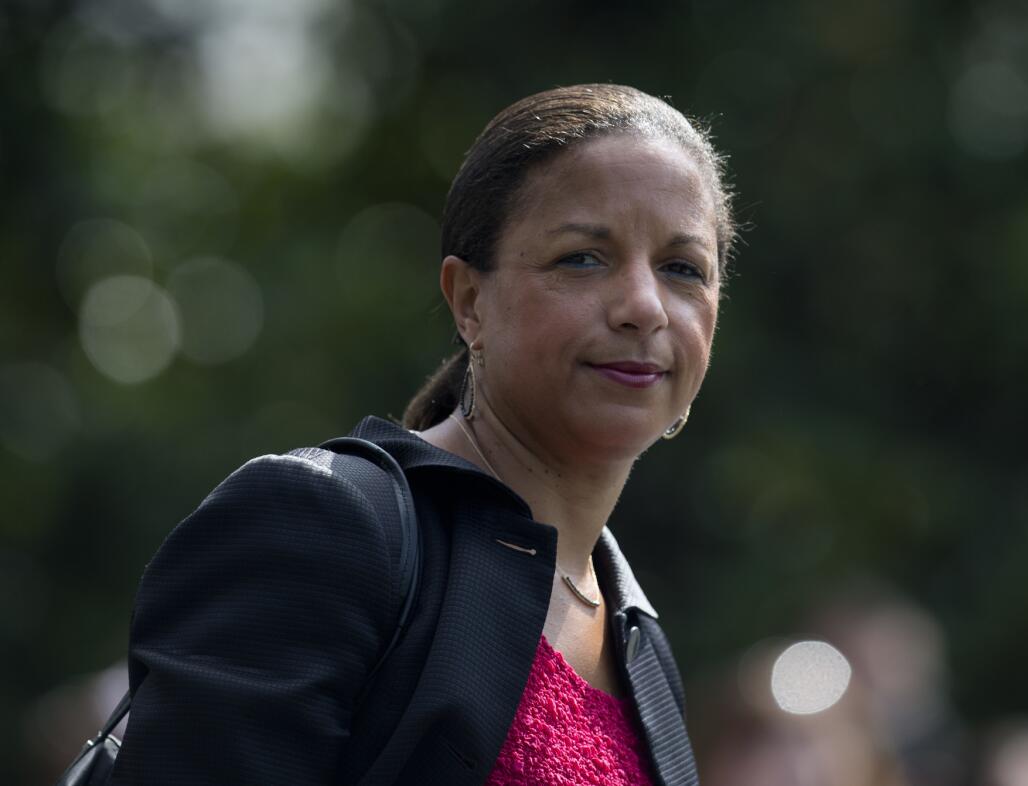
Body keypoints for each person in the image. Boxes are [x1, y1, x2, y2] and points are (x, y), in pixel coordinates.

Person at [108, 83, 738, 786]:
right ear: (469, 302)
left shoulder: (637, 634)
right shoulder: (324, 526)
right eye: (582, 258)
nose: (643, 307)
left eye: (683, 269)